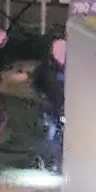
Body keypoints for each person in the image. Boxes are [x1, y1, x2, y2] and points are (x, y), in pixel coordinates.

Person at [30, 39, 66, 171]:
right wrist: (43, 98)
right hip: (50, 106)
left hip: (61, 106)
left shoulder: (65, 68)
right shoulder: (46, 69)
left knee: (59, 133)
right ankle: (43, 159)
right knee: (51, 132)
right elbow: (36, 84)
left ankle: (53, 161)